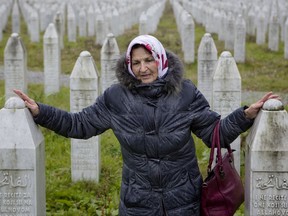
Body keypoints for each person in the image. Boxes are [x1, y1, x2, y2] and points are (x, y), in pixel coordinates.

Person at [14, 35, 280, 216]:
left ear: (161, 60)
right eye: (136, 62)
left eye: (149, 60)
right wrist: (41, 112)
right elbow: (79, 124)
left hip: (183, 201)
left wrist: (244, 115)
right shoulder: (116, 98)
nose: (143, 68)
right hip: (138, 202)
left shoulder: (184, 93)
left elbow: (213, 133)